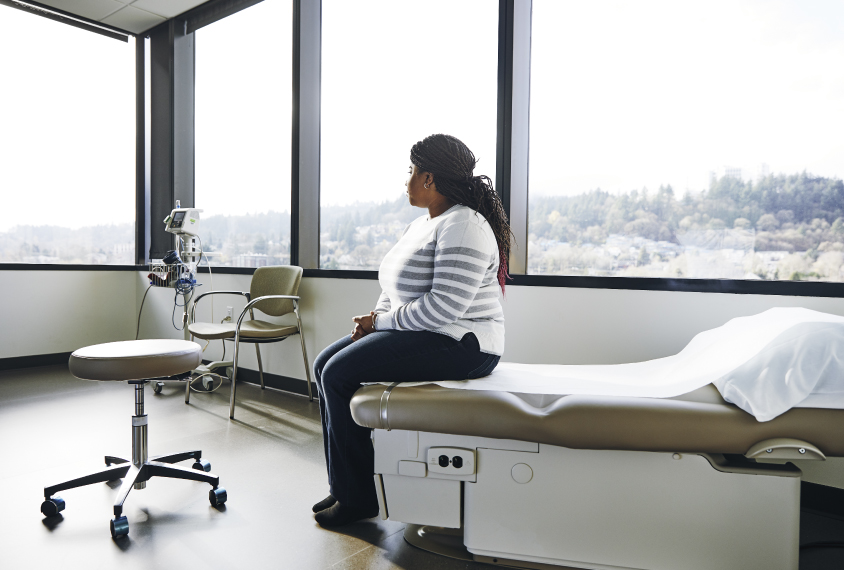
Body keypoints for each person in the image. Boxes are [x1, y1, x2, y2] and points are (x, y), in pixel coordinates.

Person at [312, 134, 512, 527]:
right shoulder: (423, 224)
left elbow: (444, 309)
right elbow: (392, 289)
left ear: (429, 178)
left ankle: (357, 500)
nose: (406, 179)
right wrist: (375, 319)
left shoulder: (465, 225)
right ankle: (344, 486)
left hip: (465, 342)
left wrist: (380, 324)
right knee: (325, 365)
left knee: (338, 374)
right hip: (427, 333)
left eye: (411, 171)